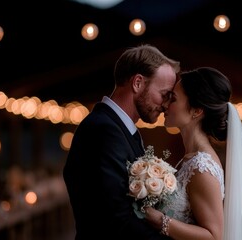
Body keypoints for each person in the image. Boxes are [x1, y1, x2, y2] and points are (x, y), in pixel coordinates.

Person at [62, 44, 180, 240]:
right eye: (164, 94)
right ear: (138, 83)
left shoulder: (118, 128)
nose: (165, 105)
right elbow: (117, 219)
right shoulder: (104, 130)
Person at [144, 67, 242, 240]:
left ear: (197, 111)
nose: (165, 104)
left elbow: (214, 235)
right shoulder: (190, 158)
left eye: (173, 98)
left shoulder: (202, 168)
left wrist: (159, 220)